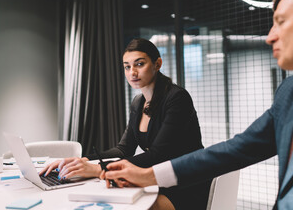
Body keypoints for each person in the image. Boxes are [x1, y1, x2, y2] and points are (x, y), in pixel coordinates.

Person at [104, 0, 293, 209]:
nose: (270, 36)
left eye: (280, 21)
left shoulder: (175, 97)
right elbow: (237, 150)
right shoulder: (290, 91)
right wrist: (149, 175)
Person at [40, 38, 210, 210]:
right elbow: (122, 149)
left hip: (185, 185)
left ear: (157, 64)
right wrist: (80, 161)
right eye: (127, 67)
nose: (132, 73)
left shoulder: (177, 98)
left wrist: (99, 169)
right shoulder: (138, 102)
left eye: (139, 64)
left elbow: (159, 155)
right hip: (155, 180)